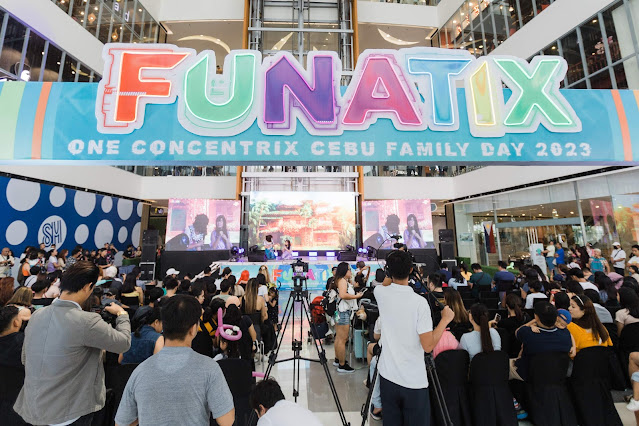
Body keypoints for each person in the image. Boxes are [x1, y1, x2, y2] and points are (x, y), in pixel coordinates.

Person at [14, 261, 131, 425]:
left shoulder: (37, 316)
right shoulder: (87, 321)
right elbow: (123, 343)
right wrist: (122, 314)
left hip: (34, 406)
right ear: (88, 287)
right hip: (69, 412)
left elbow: (25, 358)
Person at [115, 295, 235, 426]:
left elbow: (122, 423)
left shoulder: (140, 371)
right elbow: (227, 421)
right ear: (193, 329)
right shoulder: (210, 368)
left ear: (163, 325)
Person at [374, 250, 455, 425]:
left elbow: (386, 283)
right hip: (413, 382)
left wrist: (392, 268)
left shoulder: (380, 293)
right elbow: (428, 346)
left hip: (387, 378)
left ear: (388, 270)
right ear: (412, 270)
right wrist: (445, 320)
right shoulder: (419, 303)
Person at [510, 302, 572, 381]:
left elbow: (517, 332)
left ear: (536, 317)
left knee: (502, 365)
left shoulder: (528, 332)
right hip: (556, 375)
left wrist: (532, 322)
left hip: (528, 374)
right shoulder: (566, 334)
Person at [249, 378, 322, 425]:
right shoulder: (302, 410)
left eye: (257, 413)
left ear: (261, 408)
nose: (258, 417)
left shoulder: (267, 419)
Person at [334, 262, 363, 373]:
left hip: (340, 312)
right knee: (343, 339)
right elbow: (343, 295)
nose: (351, 272)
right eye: (349, 269)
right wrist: (356, 296)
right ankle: (342, 365)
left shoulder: (343, 280)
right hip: (343, 312)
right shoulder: (342, 281)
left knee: (339, 337)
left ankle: (338, 359)